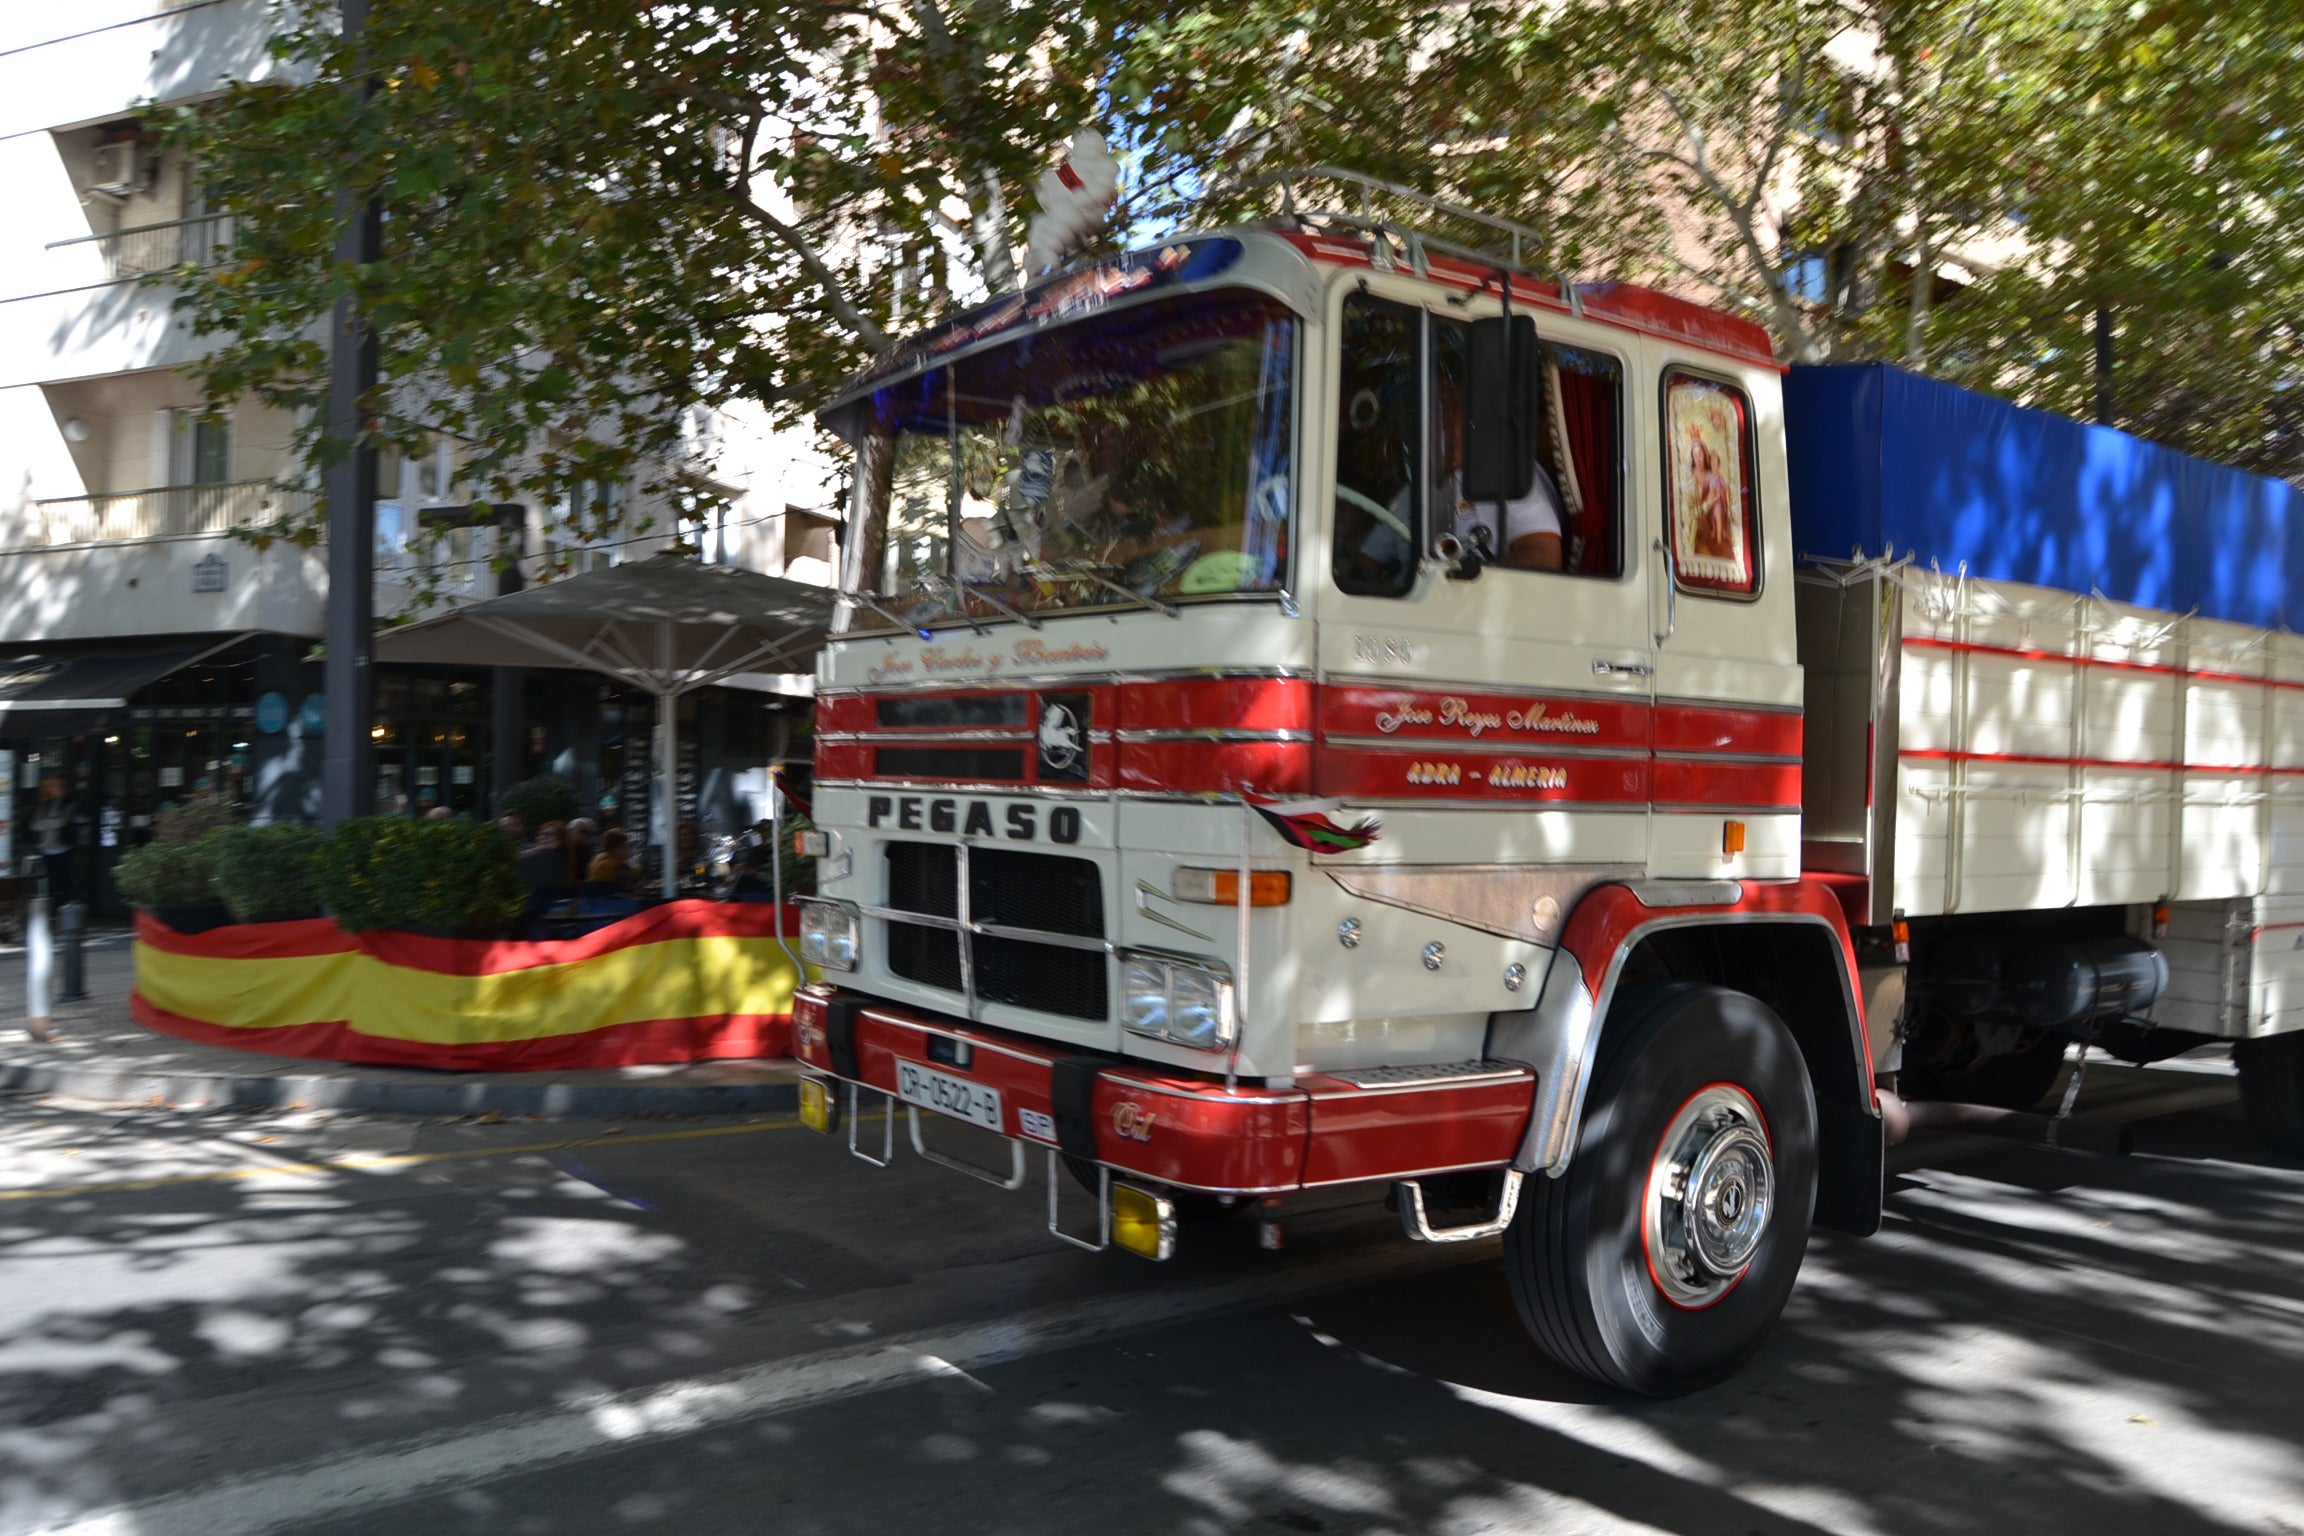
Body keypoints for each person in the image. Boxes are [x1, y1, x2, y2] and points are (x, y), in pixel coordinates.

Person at [516, 820, 572, 915]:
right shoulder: (535, 856)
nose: (542, 837)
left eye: (549, 834)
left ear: (561, 838)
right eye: (540, 834)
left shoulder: (555, 859)